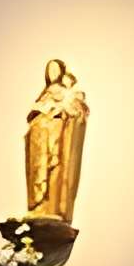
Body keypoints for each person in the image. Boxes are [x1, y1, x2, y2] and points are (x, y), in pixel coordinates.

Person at [22, 58, 89, 223]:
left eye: (55, 70)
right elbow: (33, 113)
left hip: (54, 137)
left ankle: (51, 204)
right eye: (49, 70)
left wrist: (57, 111)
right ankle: (38, 205)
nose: (52, 74)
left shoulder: (67, 94)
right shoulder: (45, 94)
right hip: (39, 141)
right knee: (38, 172)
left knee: (53, 169)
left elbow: (76, 111)